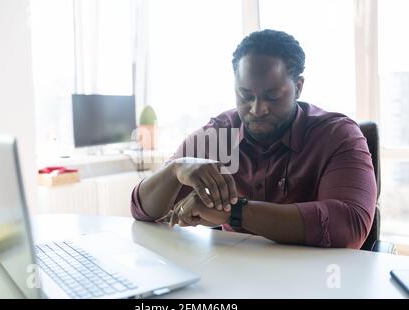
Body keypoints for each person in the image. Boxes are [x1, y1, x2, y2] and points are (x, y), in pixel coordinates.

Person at [130, 29, 377, 249]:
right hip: (235, 278)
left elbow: (349, 226)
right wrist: (176, 169)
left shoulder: (337, 136)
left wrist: (234, 212)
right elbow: (142, 210)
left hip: (317, 280)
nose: (257, 109)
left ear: (298, 88)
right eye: (245, 95)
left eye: (272, 96)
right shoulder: (220, 134)